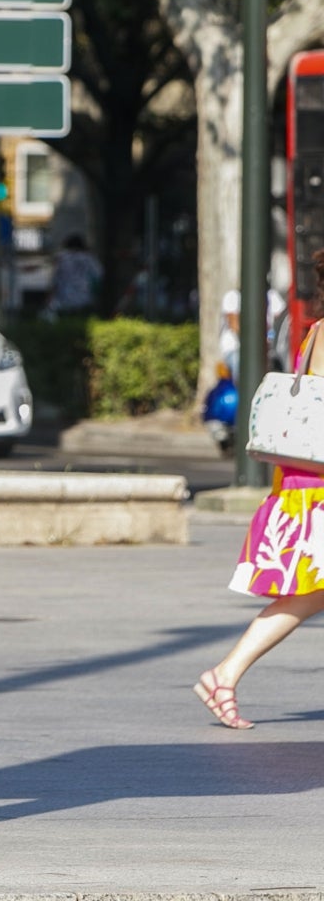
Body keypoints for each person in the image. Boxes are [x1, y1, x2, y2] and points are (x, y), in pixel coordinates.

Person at [193, 247, 324, 729]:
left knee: (306, 597)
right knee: (305, 597)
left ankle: (224, 674)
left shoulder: (313, 334)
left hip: (304, 484)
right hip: (319, 490)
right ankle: (224, 673)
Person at [47, 233, 103, 316]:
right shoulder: (90, 258)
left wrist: (49, 297)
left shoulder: (61, 257)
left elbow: (54, 279)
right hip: (86, 297)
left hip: (63, 298)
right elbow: (98, 275)